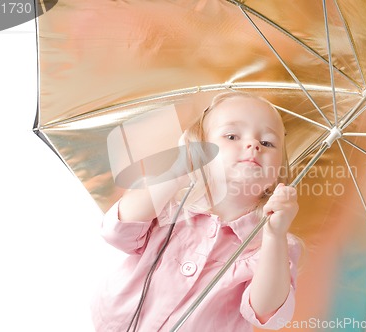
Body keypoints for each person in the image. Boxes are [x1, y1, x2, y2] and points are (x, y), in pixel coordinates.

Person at [91, 92, 302, 331]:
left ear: (279, 169)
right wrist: (177, 171)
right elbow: (116, 232)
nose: (253, 145)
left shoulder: (274, 241)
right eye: (232, 136)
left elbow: (266, 312)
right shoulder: (170, 206)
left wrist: (275, 235)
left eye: (267, 143)